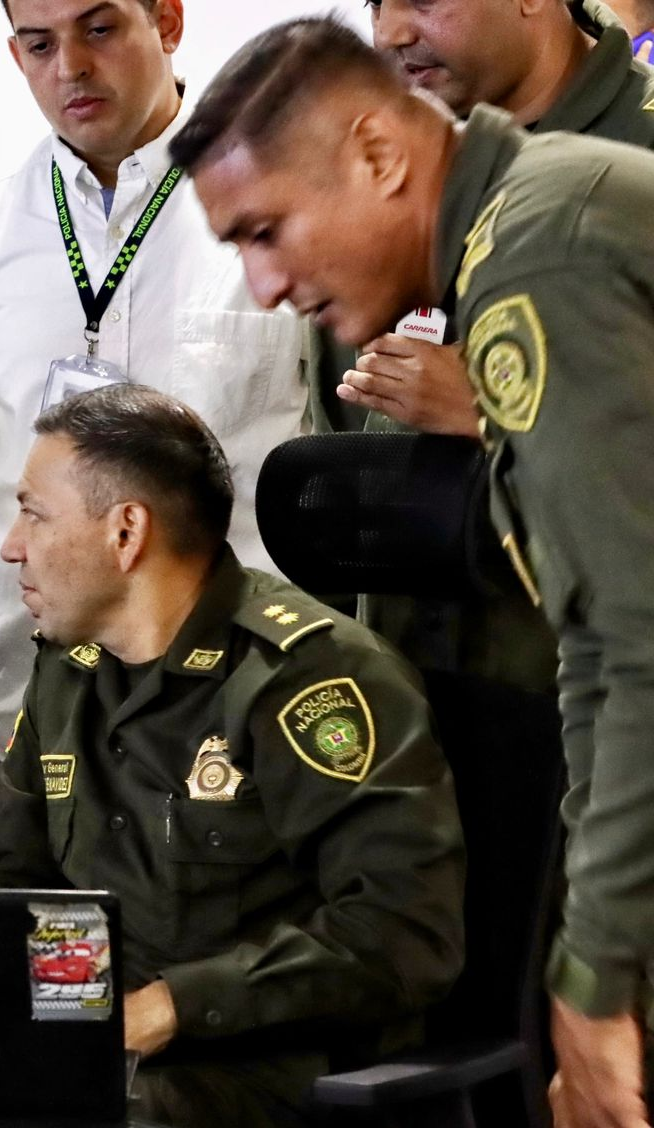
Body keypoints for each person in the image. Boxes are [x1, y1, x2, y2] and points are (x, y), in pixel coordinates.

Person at [171, 18, 654, 1124]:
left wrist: (593, 980)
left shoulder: (540, 251)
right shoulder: (527, 217)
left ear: (381, 157)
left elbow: (633, 645)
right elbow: (596, 640)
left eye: (266, 230)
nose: (261, 286)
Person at [0, 383, 463, 1128]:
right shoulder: (67, 668)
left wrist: (170, 1008)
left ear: (125, 532)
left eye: (34, 514)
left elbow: (402, 932)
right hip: (101, 1052)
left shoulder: (310, 680)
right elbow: (15, 884)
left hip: (264, 1070)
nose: (12, 545)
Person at [0, 0, 307, 849]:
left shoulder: (277, 199)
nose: (69, 65)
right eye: (39, 43)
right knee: (24, 970)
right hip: (27, 707)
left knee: (210, 979)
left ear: (167, 21)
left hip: (230, 704)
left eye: (99, 29)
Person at [339, 0, 654, 437]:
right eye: (375, 2)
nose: (389, 33)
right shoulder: (378, 159)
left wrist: (506, 407)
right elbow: (333, 445)